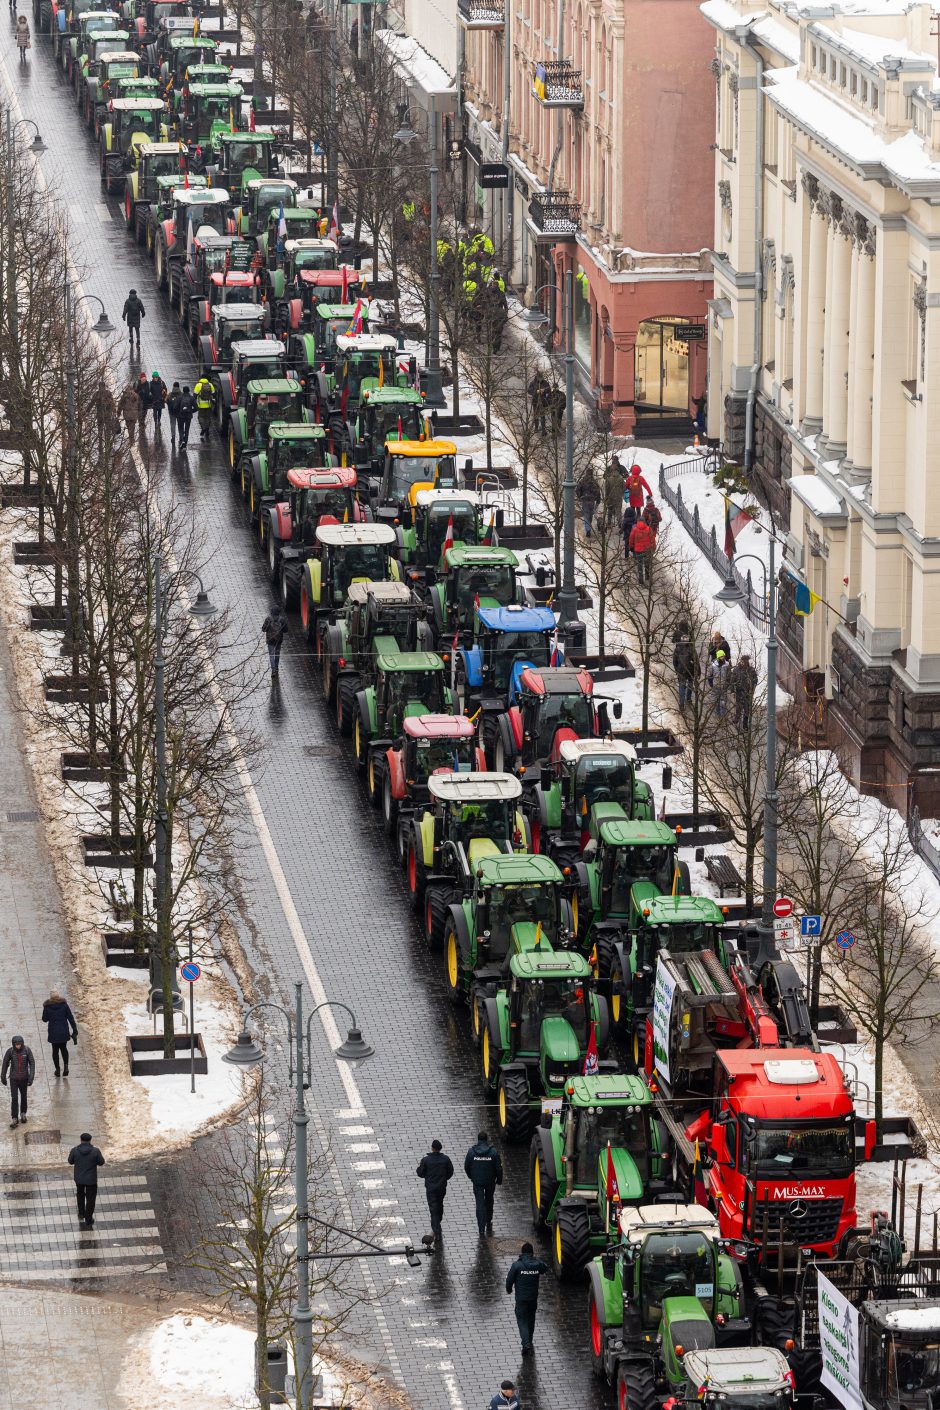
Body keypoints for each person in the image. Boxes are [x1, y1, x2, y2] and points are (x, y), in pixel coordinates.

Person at [505, 1242, 547, 1354]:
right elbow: (545, 1268)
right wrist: (536, 1260)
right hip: (533, 1298)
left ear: (522, 1253)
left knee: (522, 1320)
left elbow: (509, 1280)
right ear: (532, 1253)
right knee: (531, 1319)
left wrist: (509, 1289)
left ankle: (526, 1344)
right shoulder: (537, 1264)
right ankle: (529, 1340)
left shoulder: (517, 1265)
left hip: (521, 1300)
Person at [464, 1129, 503, 1236]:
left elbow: (466, 1167)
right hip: (490, 1182)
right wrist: (499, 1180)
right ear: (486, 1140)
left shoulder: (471, 1152)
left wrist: (472, 1177)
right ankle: (488, 1220)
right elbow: (498, 1168)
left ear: (478, 1140)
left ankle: (481, 1228)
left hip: (477, 1183)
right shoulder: (493, 1152)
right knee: (489, 1200)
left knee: (480, 1204)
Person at [416, 1138, 453, 1243]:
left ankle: (436, 1231)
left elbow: (420, 1173)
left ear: (432, 1148)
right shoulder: (445, 1159)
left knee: (433, 1209)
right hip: (441, 1188)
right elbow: (450, 1172)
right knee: (440, 1206)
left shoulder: (426, 1160)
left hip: (431, 1189)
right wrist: (444, 1179)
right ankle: (437, 1226)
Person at [68, 1131, 105, 1228]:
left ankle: (81, 1213)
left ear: (81, 1140)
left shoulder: (75, 1150)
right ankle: (88, 1218)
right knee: (91, 1199)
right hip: (91, 1180)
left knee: (80, 1195)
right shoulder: (95, 1151)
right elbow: (101, 1162)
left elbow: (70, 1161)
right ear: (90, 1140)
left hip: (79, 1179)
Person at [41, 991, 78, 1078]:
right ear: (58, 996)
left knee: (55, 1051)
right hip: (63, 1031)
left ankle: (57, 1070)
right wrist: (74, 1029)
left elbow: (44, 1019)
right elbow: (70, 1018)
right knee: (64, 1048)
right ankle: (66, 1067)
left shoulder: (47, 1006)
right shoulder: (64, 1005)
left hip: (53, 1032)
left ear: (51, 997)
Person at [1, 1035, 34, 1128]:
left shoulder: (27, 1050)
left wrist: (31, 1077)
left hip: (24, 1079)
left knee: (24, 1096)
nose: (18, 1046)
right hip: (14, 1079)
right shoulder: (10, 1051)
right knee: (14, 1098)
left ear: (22, 1044)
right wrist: (2, 1076)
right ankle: (14, 1118)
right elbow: (5, 1064)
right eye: (16, 1045)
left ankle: (23, 1113)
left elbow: (32, 1063)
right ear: (13, 1044)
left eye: (20, 1045)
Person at [671, 621, 698, 711]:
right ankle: (689, 699)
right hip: (690, 670)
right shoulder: (691, 649)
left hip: (681, 670)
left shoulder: (677, 649)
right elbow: (696, 660)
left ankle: (682, 704)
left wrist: (677, 670)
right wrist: (697, 671)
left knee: (682, 686)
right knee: (690, 685)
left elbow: (674, 662)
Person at [730, 653, 758, 730]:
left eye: (746, 661)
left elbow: (755, 679)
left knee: (747, 709)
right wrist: (732, 691)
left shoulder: (751, 670)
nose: (745, 663)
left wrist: (753, 687)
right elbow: (732, 681)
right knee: (738, 707)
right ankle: (737, 719)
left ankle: (745, 724)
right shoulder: (736, 669)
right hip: (739, 691)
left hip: (748, 693)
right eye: (744, 661)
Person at [262, 604, 288, 677]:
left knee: (271, 655)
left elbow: (263, 629)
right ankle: (276, 669)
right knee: (277, 654)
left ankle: (273, 670)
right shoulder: (282, 619)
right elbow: (286, 630)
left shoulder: (268, 619)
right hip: (278, 640)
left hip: (270, 640)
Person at [628, 516, 653, 584]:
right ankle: (647, 576)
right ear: (644, 521)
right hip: (647, 550)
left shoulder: (635, 529)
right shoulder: (649, 529)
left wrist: (631, 546)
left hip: (638, 550)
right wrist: (653, 548)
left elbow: (631, 539)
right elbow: (652, 540)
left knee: (639, 565)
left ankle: (641, 580)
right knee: (647, 563)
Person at [707, 649, 731, 717]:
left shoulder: (727, 664)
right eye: (721, 656)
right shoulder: (713, 665)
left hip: (724, 686)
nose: (723, 657)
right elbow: (710, 676)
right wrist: (712, 685)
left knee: (723, 702)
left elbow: (729, 675)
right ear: (718, 657)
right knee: (716, 701)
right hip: (716, 686)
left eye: (723, 656)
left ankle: (723, 715)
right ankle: (717, 714)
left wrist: (727, 684)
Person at [122, 289, 145, 357]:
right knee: (137, 328)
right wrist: (143, 313)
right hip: (137, 316)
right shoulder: (138, 300)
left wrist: (123, 316)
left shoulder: (127, 301)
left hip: (130, 317)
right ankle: (138, 339)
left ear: (130, 293)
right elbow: (141, 308)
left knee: (130, 328)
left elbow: (125, 309)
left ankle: (131, 338)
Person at [578, 470, 599, 538]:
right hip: (592, 500)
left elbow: (577, 489)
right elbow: (598, 491)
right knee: (590, 515)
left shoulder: (582, 481)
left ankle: (588, 530)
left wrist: (580, 496)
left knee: (586, 515)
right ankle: (588, 528)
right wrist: (598, 500)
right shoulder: (594, 482)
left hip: (585, 500)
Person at [194, 375, 215, 441]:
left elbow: (195, 395)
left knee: (200, 417)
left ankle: (203, 428)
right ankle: (207, 430)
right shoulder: (210, 384)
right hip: (208, 404)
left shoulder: (198, 385)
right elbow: (214, 393)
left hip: (200, 405)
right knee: (208, 418)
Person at [166, 382, 182, 446]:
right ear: (178, 386)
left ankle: (173, 437)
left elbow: (166, 401)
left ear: (173, 386)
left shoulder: (170, 394)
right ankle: (181, 438)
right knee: (180, 425)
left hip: (172, 412)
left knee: (173, 425)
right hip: (179, 412)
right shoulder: (181, 394)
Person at [136, 372, 150, 437]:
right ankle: (140, 423)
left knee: (144, 413)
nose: (144, 379)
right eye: (143, 378)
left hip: (146, 402)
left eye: (145, 378)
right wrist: (140, 392)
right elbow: (135, 392)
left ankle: (142, 421)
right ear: (141, 378)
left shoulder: (148, 384)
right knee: (139, 413)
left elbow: (149, 392)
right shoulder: (137, 384)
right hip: (139, 402)